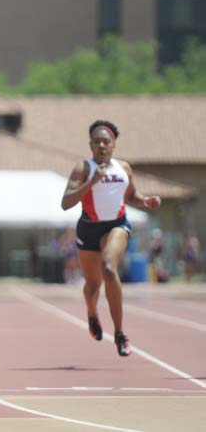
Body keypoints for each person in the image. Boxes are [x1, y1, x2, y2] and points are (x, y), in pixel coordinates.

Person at [61, 120, 161, 357]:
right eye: (97, 141)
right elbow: (66, 203)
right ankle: (92, 312)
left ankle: (119, 333)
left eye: (106, 141)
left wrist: (146, 201)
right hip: (88, 229)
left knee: (108, 269)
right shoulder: (82, 169)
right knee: (93, 285)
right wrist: (92, 182)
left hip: (116, 225)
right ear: (91, 145)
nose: (102, 145)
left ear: (114, 144)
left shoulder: (124, 168)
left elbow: (131, 195)